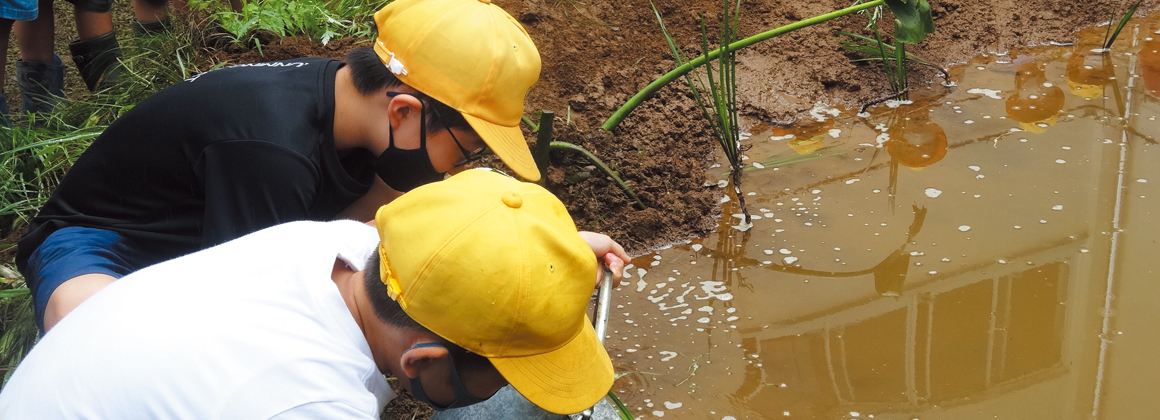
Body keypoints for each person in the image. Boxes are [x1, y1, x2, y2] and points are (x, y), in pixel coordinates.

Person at [15, 0, 560, 332]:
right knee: (91, 323)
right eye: (465, 150)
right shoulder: (272, 149)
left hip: (206, 234)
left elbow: (362, 230)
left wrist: (546, 249)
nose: (456, 167)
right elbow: (262, 293)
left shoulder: (350, 108)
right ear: (403, 110)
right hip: (105, 242)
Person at [0, 169, 620, 418]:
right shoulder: (307, 405)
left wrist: (544, 258)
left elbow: (456, 238)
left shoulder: (330, 245)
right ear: (423, 361)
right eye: (509, 371)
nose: (512, 380)